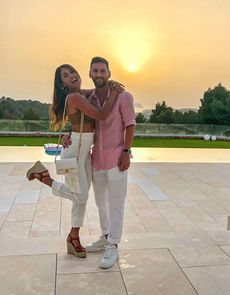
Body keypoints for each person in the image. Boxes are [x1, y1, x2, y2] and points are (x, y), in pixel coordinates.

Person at [26, 64, 122, 258]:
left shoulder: (82, 93)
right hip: (74, 152)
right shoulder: (75, 97)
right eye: (65, 75)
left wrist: (110, 84)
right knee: (81, 197)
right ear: (62, 84)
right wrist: (113, 93)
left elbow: (97, 89)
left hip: (84, 152)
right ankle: (44, 177)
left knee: (81, 197)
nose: (71, 76)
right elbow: (102, 115)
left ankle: (74, 237)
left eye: (72, 72)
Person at [62, 56, 136, 269]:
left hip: (116, 159)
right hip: (96, 161)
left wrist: (126, 151)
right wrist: (67, 135)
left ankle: (113, 244)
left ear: (109, 74)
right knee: (100, 203)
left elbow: (130, 125)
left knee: (116, 204)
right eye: (95, 71)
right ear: (90, 74)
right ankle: (105, 236)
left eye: (103, 71)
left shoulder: (124, 97)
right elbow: (81, 120)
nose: (99, 74)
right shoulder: (90, 98)